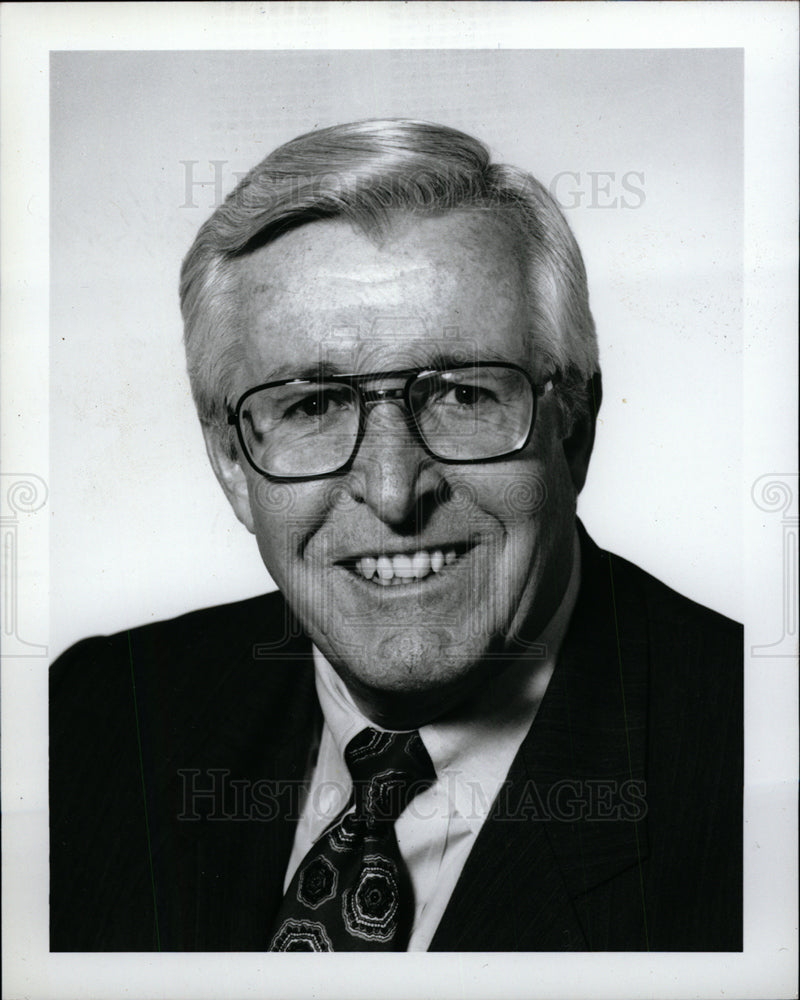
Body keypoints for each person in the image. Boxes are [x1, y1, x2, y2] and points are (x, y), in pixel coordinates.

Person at [50, 119, 742, 952]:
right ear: (232, 465)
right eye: (313, 405)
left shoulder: (756, 771)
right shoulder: (95, 717)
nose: (391, 491)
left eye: (462, 395)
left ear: (575, 426)